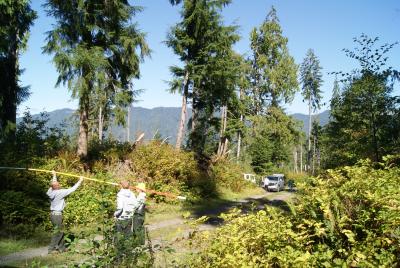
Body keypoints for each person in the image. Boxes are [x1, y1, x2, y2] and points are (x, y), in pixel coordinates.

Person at [46, 171, 83, 253]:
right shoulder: (60, 192)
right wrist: (80, 180)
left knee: (60, 231)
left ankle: (62, 248)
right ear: (57, 186)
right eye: (59, 184)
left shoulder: (50, 192)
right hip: (57, 216)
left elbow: (53, 184)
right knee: (57, 232)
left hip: (53, 215)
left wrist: (54, 175)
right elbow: (73, 189)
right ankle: (51, 249)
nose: (60, 185)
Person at [114, 181, 146, 246]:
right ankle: (128, 250)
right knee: (127, 235)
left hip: (122, 217)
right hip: (129, 217)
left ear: (121, 186)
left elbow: (120, 207)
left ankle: (118, 251)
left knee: (118, 234)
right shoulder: (132, 194)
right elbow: (134, 205)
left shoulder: (120, 194)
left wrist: (115, 214)